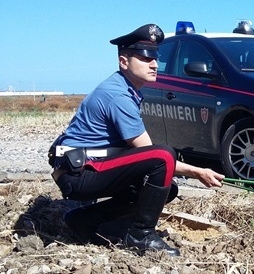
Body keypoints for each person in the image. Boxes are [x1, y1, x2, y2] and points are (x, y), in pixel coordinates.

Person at [49, 24, 225, 257]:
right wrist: (198, 171)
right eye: (144, 58)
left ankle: (85, 220)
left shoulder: (126, 88)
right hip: (80, 173)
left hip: (83, 168)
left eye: (155, 58)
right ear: (124, 62)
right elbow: (152, 154)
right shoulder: (118, 96)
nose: (154, 64)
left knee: (165, 188)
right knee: (163, 156)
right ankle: (141, 235)